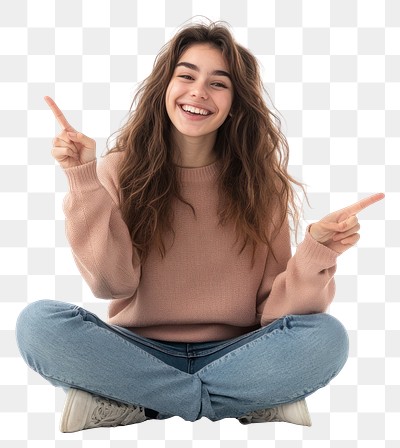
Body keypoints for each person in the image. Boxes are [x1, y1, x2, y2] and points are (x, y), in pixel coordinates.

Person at [15, 21, 384, 433]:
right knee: (39, 323)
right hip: (136, 351)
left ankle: (137, 402)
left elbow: (275, 314)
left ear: (235, 103)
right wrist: (83, 176)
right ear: (165, 89)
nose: (198, 92)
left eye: (218, 83)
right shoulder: (116, 170)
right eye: (187, 76)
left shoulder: (263, 185)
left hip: (237, 353)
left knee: (326, 337)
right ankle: (238, 401)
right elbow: (110, 285)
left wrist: (317, 252)